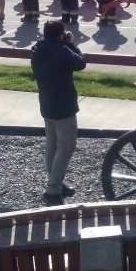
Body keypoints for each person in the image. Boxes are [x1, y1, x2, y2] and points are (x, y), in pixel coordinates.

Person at [31, 20, 86, 205]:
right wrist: (71, 44)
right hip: (63, 104)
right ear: (60, 34)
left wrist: (63, 43)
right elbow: (80, 63)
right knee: (66, 146)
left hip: (46, 101)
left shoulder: (37, 49)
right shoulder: (62, 51)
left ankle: (56, 183)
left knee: (52, 145)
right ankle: (53, 188)